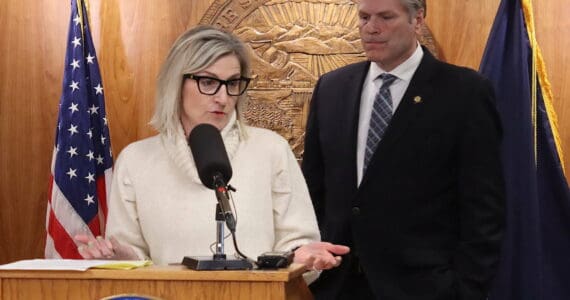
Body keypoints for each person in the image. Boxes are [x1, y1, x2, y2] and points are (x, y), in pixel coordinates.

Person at [74, 25, 349, 273]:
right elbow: (133, 258)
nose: (222, 98)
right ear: (176, 83)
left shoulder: (270, 149)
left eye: (232, 83)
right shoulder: (136, 159)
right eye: (208, 82)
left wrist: (300, 256)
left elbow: (298, 244)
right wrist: (119, 256)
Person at [301, 0, 505, 299]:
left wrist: (465, 289)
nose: (371, 28)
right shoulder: (332, 87)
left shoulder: (465, 92)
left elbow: (484, 207)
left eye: (386, 17)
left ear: (417, 21)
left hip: (426, 287)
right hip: (338, 284)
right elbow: (313, 188)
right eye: (364, 17)